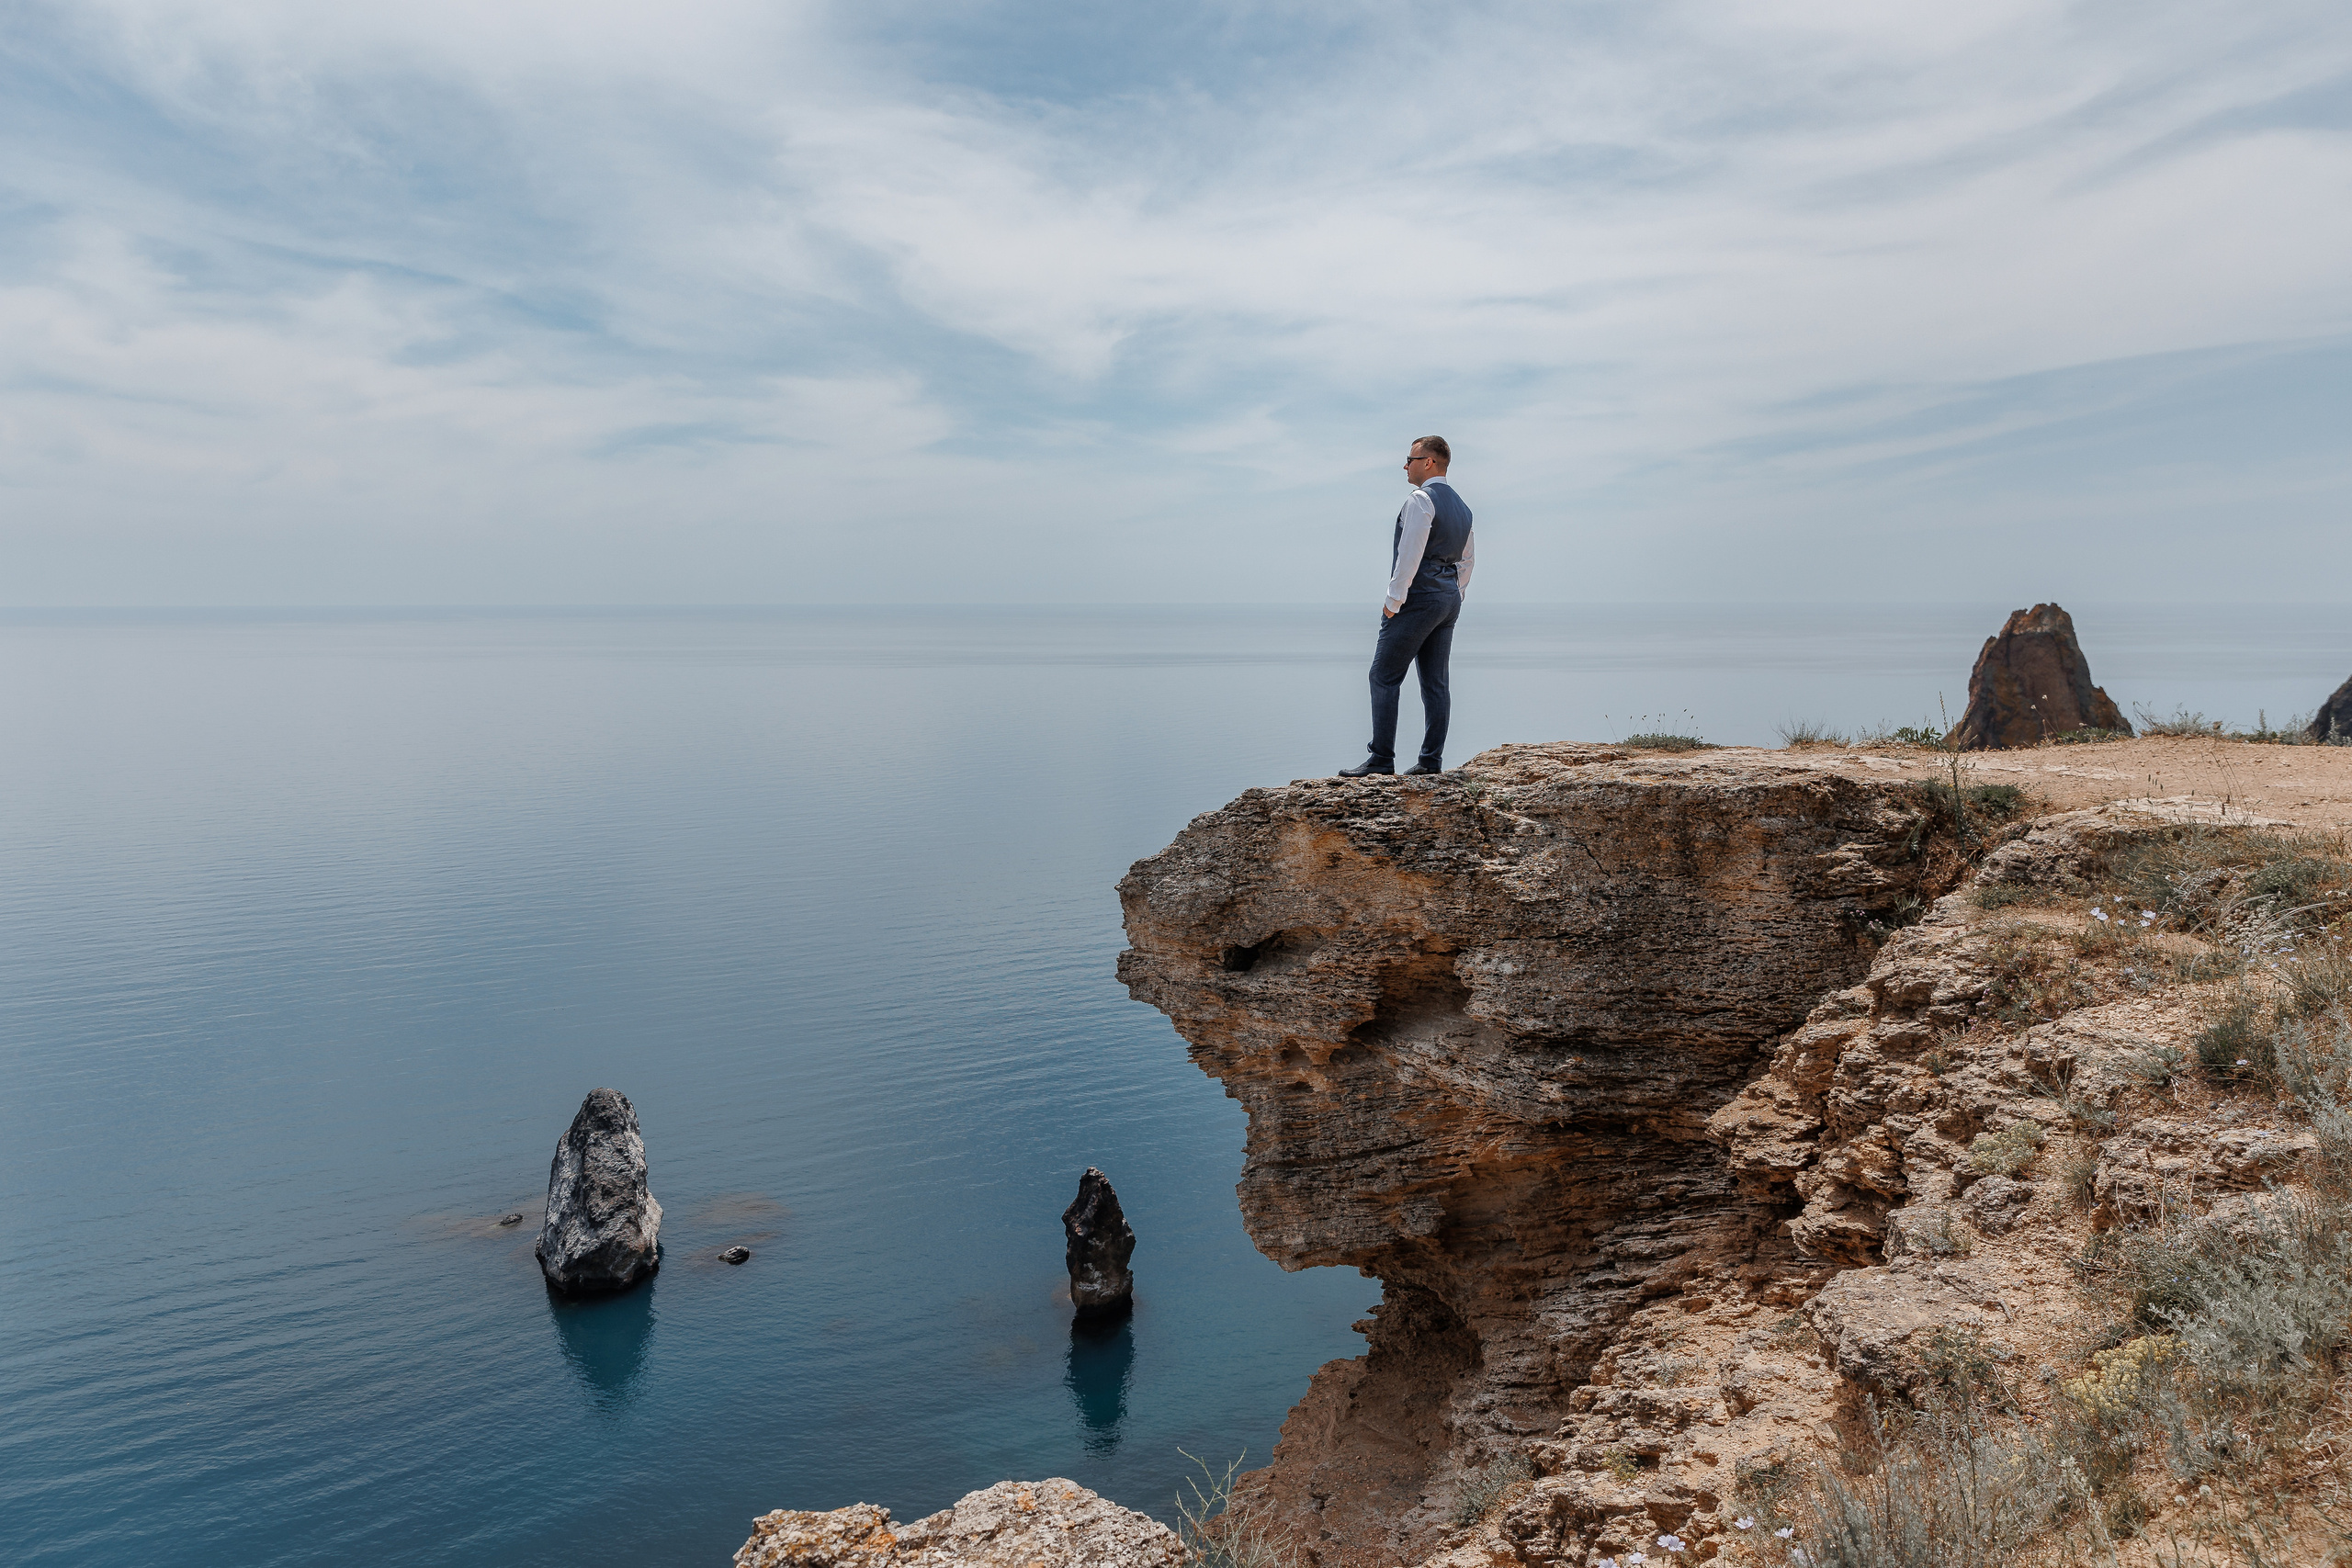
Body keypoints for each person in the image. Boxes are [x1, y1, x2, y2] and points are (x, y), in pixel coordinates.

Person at [1338, 436, 1474, 777]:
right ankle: (1431, 762)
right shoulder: (1463, 507)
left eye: (1410, 459)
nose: (1405, 465)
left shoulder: (1420, 499)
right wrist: (1456, 595)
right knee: (1435, 683)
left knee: (1383, 676)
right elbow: (1467, 560)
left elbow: (1409, 554)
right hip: (1447, 600)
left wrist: (1393, 601)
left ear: (1428, 462)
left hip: (1418, 599)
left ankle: (1381, 759)